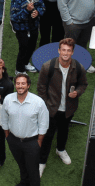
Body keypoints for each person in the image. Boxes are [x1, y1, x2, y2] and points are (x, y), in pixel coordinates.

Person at [36, 38, 88, 169]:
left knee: (64, 131)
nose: (65, 53)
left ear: (72, 52)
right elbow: (41, 87)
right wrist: (46, 105)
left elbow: (83, 84)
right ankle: (42, 162)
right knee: (47, 136)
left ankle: (60, 149)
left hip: (69, 108)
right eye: (63, 50)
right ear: (59, 50)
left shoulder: (78, 67)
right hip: (51, 109)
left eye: (68, 50)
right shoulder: (48, 66)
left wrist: (77, 92)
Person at [2, 73, 49, 186]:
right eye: (18, 83)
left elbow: (44, 123)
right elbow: (4, 118)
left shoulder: (38, 102)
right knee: (21, 164)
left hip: (32, 142)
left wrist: (39, 141)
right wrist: (7, 136)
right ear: (15, 85)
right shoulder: (8, 99)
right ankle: (24, 183)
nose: (20, 86)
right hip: (14, 140)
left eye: (23, 83)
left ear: (28, 85)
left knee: (32, 168)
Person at [10, 0, 45, 73]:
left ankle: (26, 63)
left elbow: (43, 7)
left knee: (32, 46)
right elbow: (14, 17)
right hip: (22, 28)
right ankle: (19, 69)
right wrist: (26, 10)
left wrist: (37, 12)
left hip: (34, 26)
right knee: (23, 47)